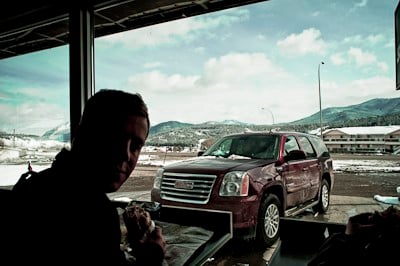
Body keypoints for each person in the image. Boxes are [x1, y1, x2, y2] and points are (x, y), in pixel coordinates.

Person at [2, 89, 166, 265]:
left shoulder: (35, 184)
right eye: (115, 138)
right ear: (83, 136)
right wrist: (150, 260)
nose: (126, 155)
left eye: (135, 146)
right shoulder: (96, 213)